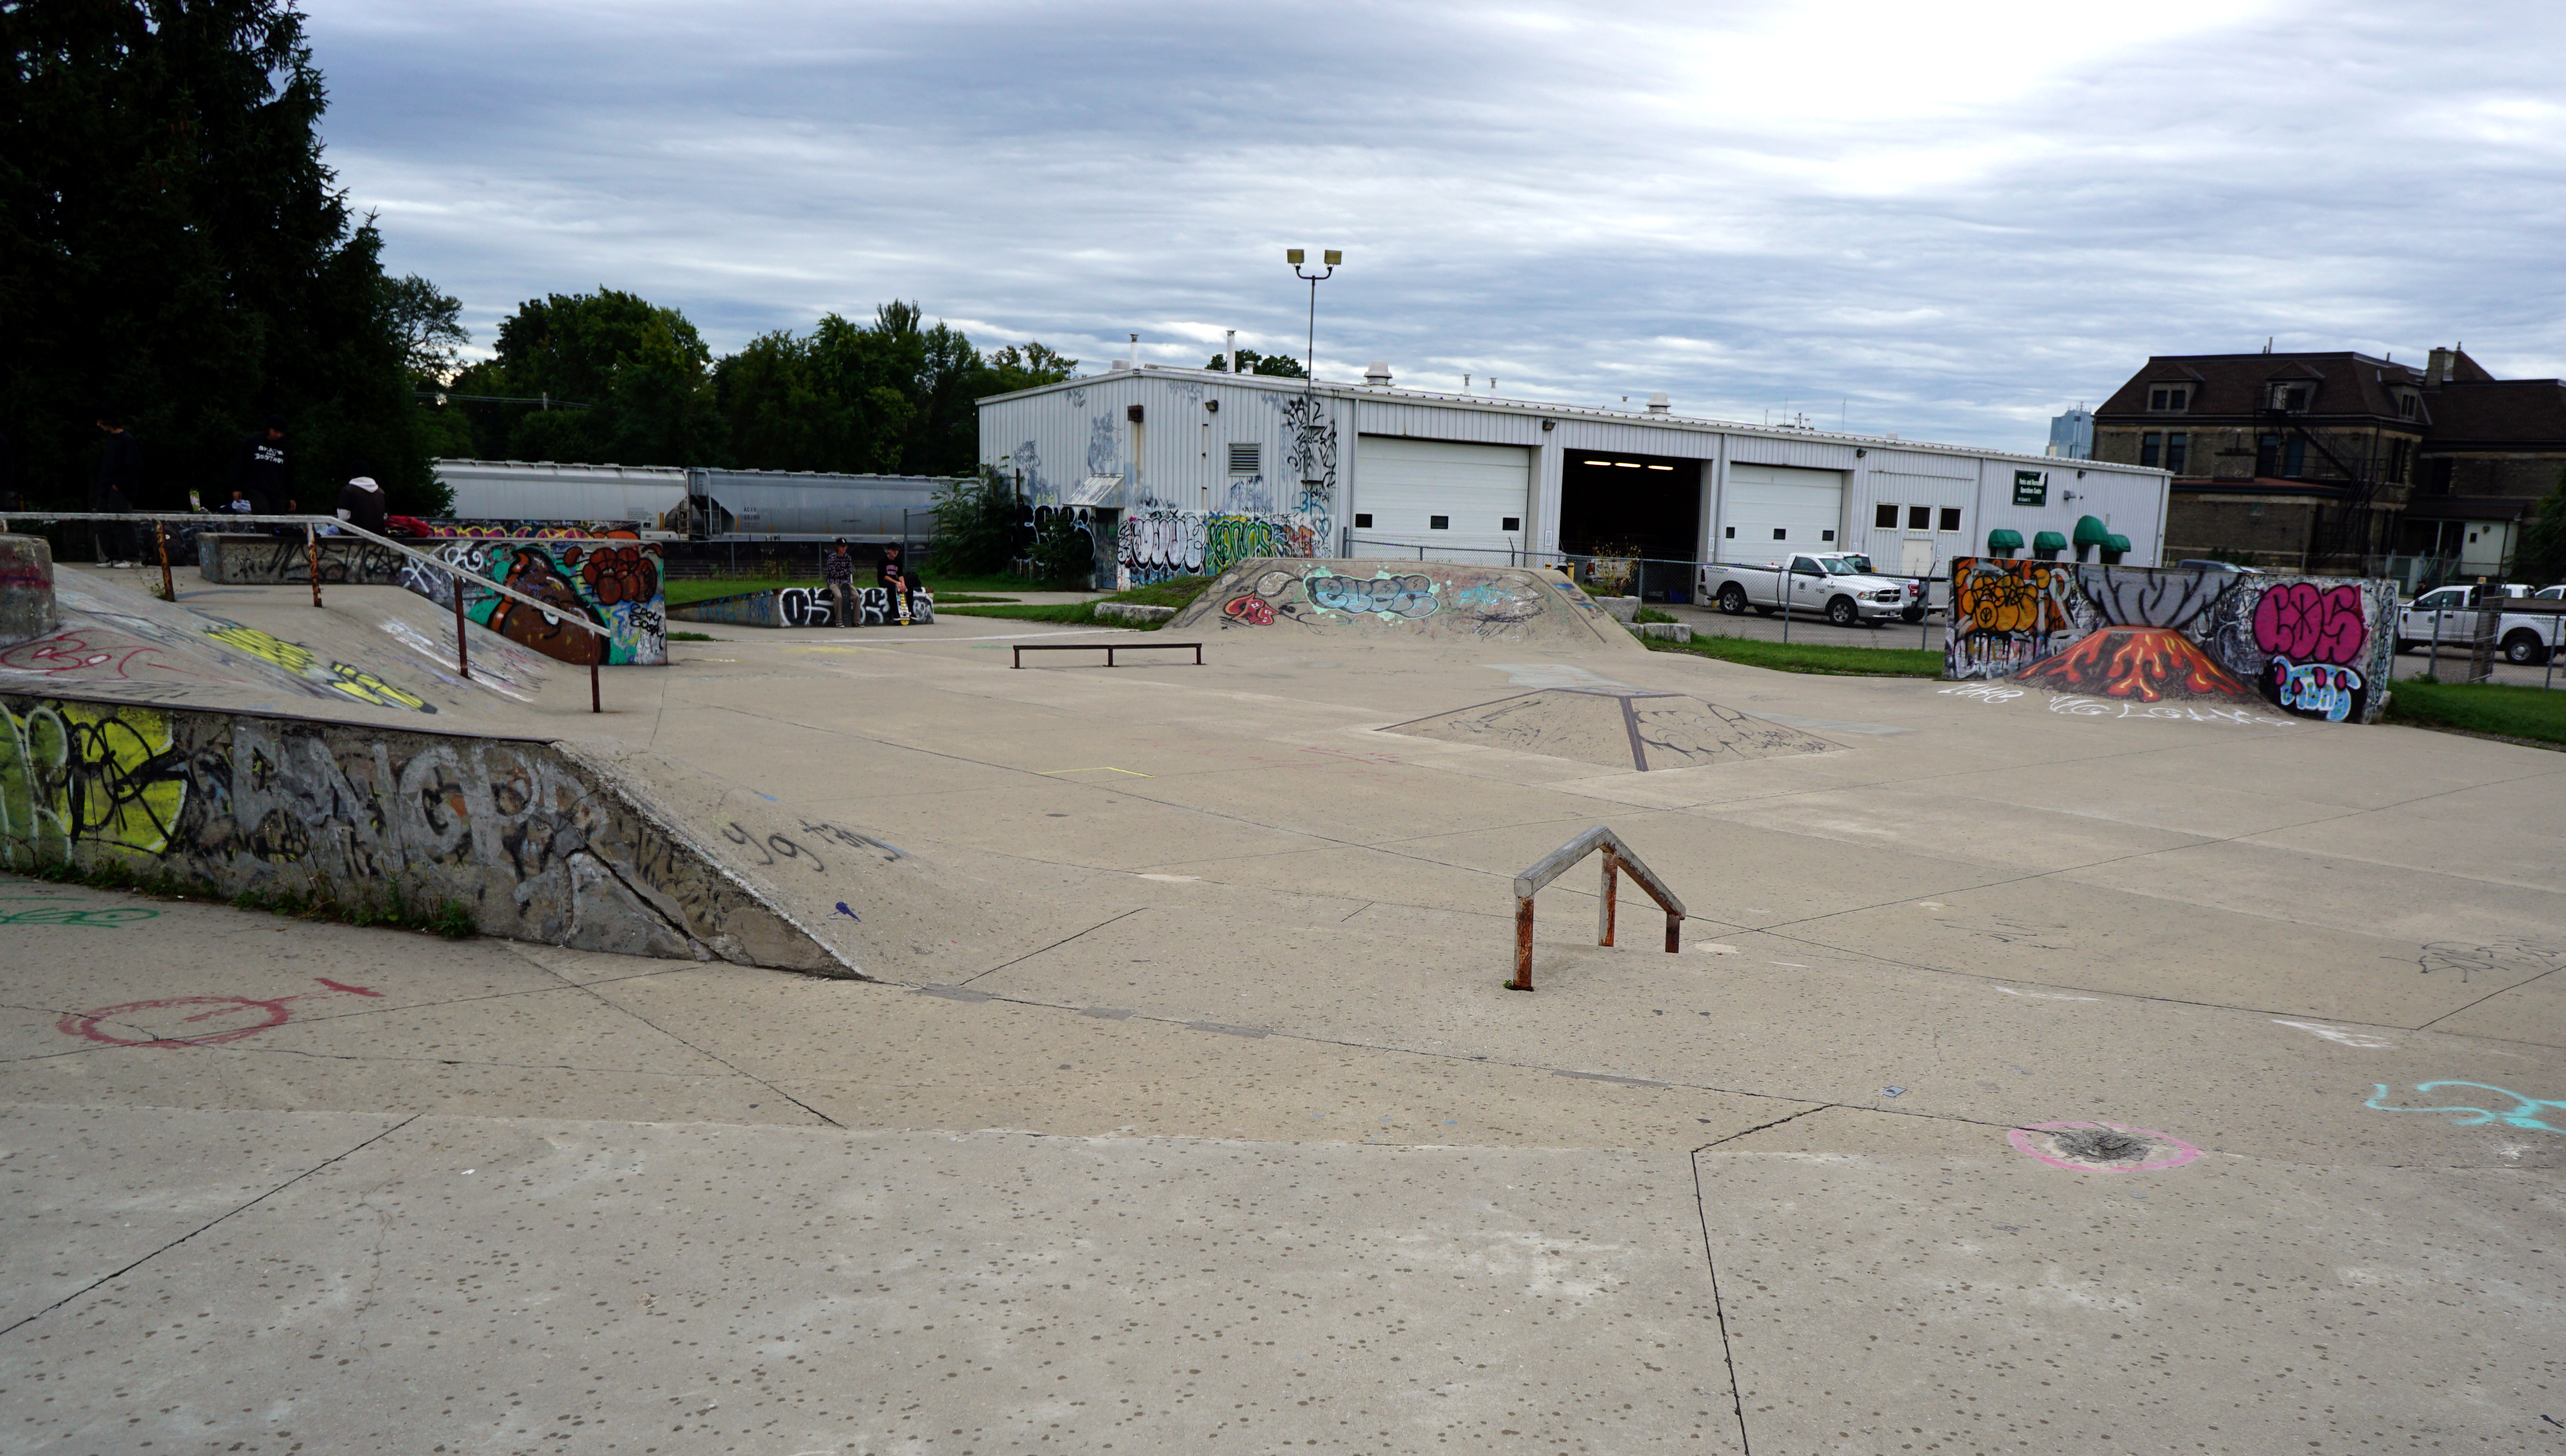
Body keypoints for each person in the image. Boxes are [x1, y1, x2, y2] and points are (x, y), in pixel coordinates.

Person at [92, 414, 141, 566]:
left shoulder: (127, 440)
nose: (99, 425)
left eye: (101, 422)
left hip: (120, 489)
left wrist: (118, 485)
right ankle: (114, 557)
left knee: (122, 523)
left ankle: (132, 558)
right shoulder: (111, 439)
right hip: (106, 488)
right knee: (103, 523)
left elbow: (134, 467)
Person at [230, 414, 291, 515]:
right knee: (262, 513)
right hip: (257, 487)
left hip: (277, 489)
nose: (278, 436)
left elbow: (289, 471)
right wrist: (237, 488)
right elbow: (241, 465)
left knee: (279, 519)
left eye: (281, 433)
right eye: (276, 432)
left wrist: (291, 496)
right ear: (268, 429)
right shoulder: (252, 442)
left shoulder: (285, 447)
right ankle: (263, 532)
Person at [336, 459, 388, 534]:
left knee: (331, 530)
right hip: (377, 535)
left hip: (353, 535)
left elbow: (343, 517)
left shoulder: (348, 490)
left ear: (352, 475)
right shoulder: (381, 492)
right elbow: (385, 517)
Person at [877, 541, 921, 625]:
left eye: (897, 550)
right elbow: (884, 576)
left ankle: (910, 610)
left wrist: (903, 584)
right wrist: (897, 583)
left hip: (895, 580)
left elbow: (900, 575)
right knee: (892, 588)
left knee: (910, 587)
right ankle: (894, 612)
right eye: (893, 550)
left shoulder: (898, 561)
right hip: (884, 580)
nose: (895, 552)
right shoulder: (883, 560)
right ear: (888, 551)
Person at [822, 538, 857, 626]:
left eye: (845, 546)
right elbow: (833, 574)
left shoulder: (848, 558)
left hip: (846, 582)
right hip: (834, 582)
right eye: (842, 547)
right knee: (838, 597)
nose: (844, 548)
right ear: (837, 547)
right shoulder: (832, 558)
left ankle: (856, 620)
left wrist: (843, 572)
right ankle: (839, 620)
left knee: (856, 596)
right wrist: (845, 572)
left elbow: (849, 572)